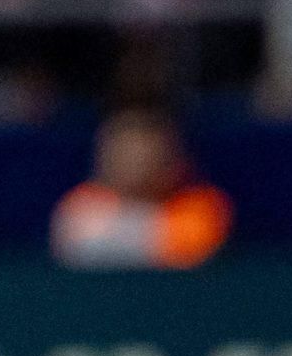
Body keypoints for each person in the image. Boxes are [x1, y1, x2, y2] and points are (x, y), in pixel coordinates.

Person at [50, 106, 231, 269]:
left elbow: (187, 252)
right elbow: (74, 251)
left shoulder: (202, 206)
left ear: (172, 161)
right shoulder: (82, 204)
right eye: (125, 155)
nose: (137, 167)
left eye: (146, 156)